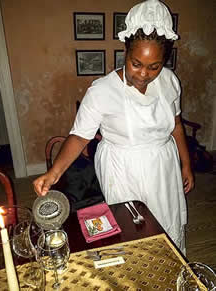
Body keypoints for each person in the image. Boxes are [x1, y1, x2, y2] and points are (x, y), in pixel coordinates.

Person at [34, 0, 194, 254]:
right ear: (126, 51)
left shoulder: (170, 81)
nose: (144, 74)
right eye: (136, 63)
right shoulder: (102, 91)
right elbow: (79, 137)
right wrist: (53, 173)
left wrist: (185, 164)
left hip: (164, 167)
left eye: (154, 66)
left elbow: (175, 125)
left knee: (166, 223)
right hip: (123, 169)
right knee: (132, 232)